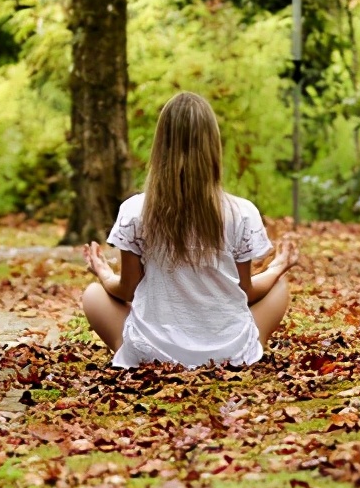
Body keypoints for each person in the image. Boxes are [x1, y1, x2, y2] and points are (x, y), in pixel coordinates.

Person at [81, 91, 298, 369]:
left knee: (93, 294)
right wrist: (278, 266)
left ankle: (143, 355)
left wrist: (102, 271)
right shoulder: (242, 212)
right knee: (278, 286)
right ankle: (239, 353)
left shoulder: (135, 210)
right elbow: (245, 292)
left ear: (161, 146)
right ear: (212, 146)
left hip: (154, 354)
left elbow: (127, 291)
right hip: (226, 356)